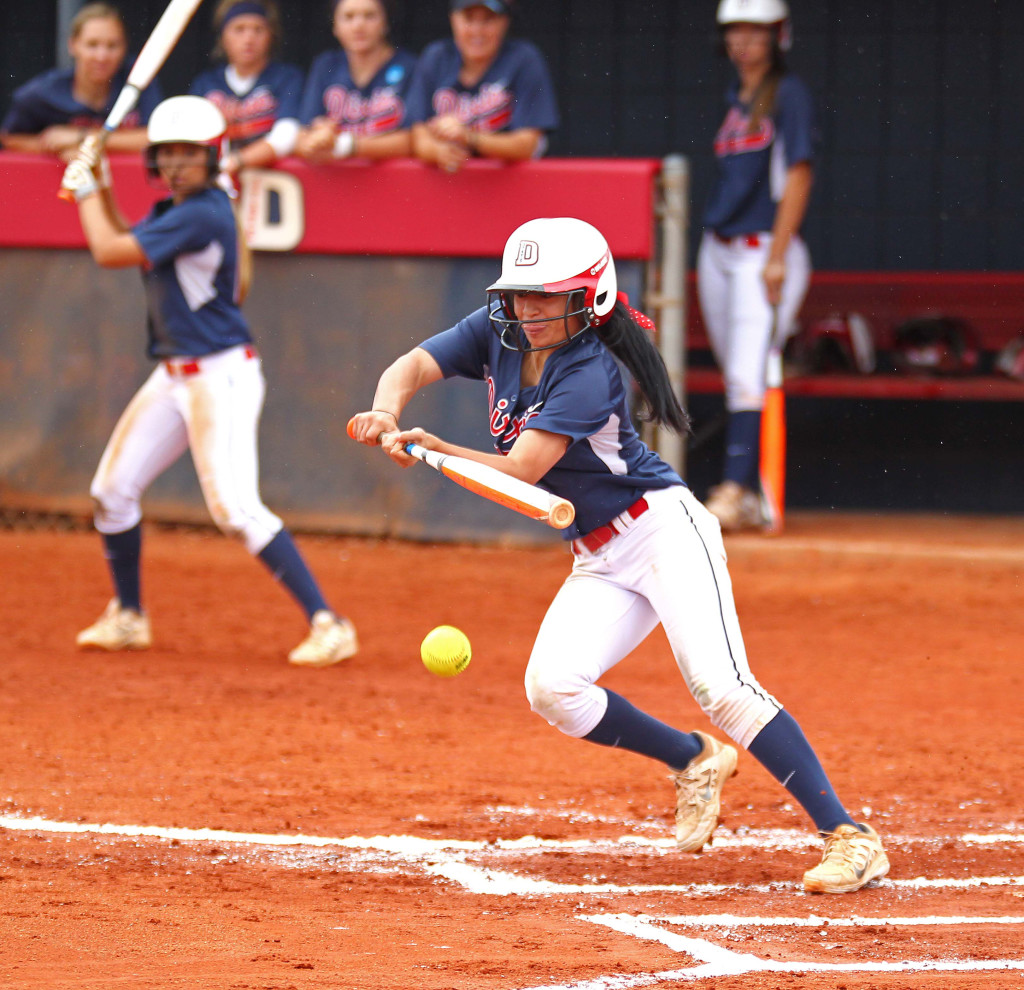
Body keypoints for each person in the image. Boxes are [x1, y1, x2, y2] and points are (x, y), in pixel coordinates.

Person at [349, 217, 889, 894]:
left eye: (549, 296)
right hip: (598, 552)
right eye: (521, 293)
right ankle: (692, 759)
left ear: (592, 299)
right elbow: (413, 365)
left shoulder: (592, 372)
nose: (530, 309)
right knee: (554, 688)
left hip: (662, 532)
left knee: (721, 688)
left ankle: (849, 836)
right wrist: (386, 411)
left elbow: (520, 473)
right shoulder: (501, 327)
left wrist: (433, 450)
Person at [58, 95, 357, 667]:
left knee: (236, 511)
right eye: (166, 153)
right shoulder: (179, 210)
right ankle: (128, 616)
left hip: (219, 376)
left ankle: (330, 623)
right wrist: (98, 180)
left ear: (212, 155)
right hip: (175, 375)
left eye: (187, 155)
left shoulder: (201, 212)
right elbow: (131, 240)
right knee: (112, 493)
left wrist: (86, 189)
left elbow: (109, 250)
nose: (174, 164)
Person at [696, 0, 814, 531]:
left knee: (747, 373)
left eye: (756, 31)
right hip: (719, 248)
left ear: (777, 36)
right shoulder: (736, 97)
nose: (744, 41)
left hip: (762, 249)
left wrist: (778, 254)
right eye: (736, 30)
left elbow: (799, 174)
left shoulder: (789, 95)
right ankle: (742, 484)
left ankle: (737, 489)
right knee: (736, 374)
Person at [404, 0, 559, 173]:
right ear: (453, 19)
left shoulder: (524, 59)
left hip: (508, 186)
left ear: (504, 22)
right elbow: (417, 135)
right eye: (468, 19)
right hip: (450, 182)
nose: (477, 31)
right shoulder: (437, 57)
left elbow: (527, 145)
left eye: (488, 20)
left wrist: (469, 137)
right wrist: (438, 151)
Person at [0, 3, 161, 160]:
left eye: (112, 45)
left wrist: (81, 138)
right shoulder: (43, 91)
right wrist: (58, 149)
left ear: (125, 47)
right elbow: (10, 138)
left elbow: (155, 137)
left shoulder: (138, 80)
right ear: (73, 45)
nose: (102, 56)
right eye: (92, 45)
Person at [190, 0, 305, 178]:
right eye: (239, 29)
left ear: (271, 35)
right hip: (215, 183)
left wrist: (237, 161)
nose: (249, 39)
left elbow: (286, 136)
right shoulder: (206, 83)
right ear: (222, 37)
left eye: (258, 29)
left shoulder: (287, 78)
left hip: (269, 179)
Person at [294, 0, 417, 163]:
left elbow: (412, 140)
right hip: (339, 181)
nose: (358, 26)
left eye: (369, 16)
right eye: (348, 17)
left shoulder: (409, 66)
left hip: (391, 181)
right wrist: (316, 140)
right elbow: (302, 134)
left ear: (386, 22)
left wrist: (345, 145)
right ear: (335, 27)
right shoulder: (326, 65)